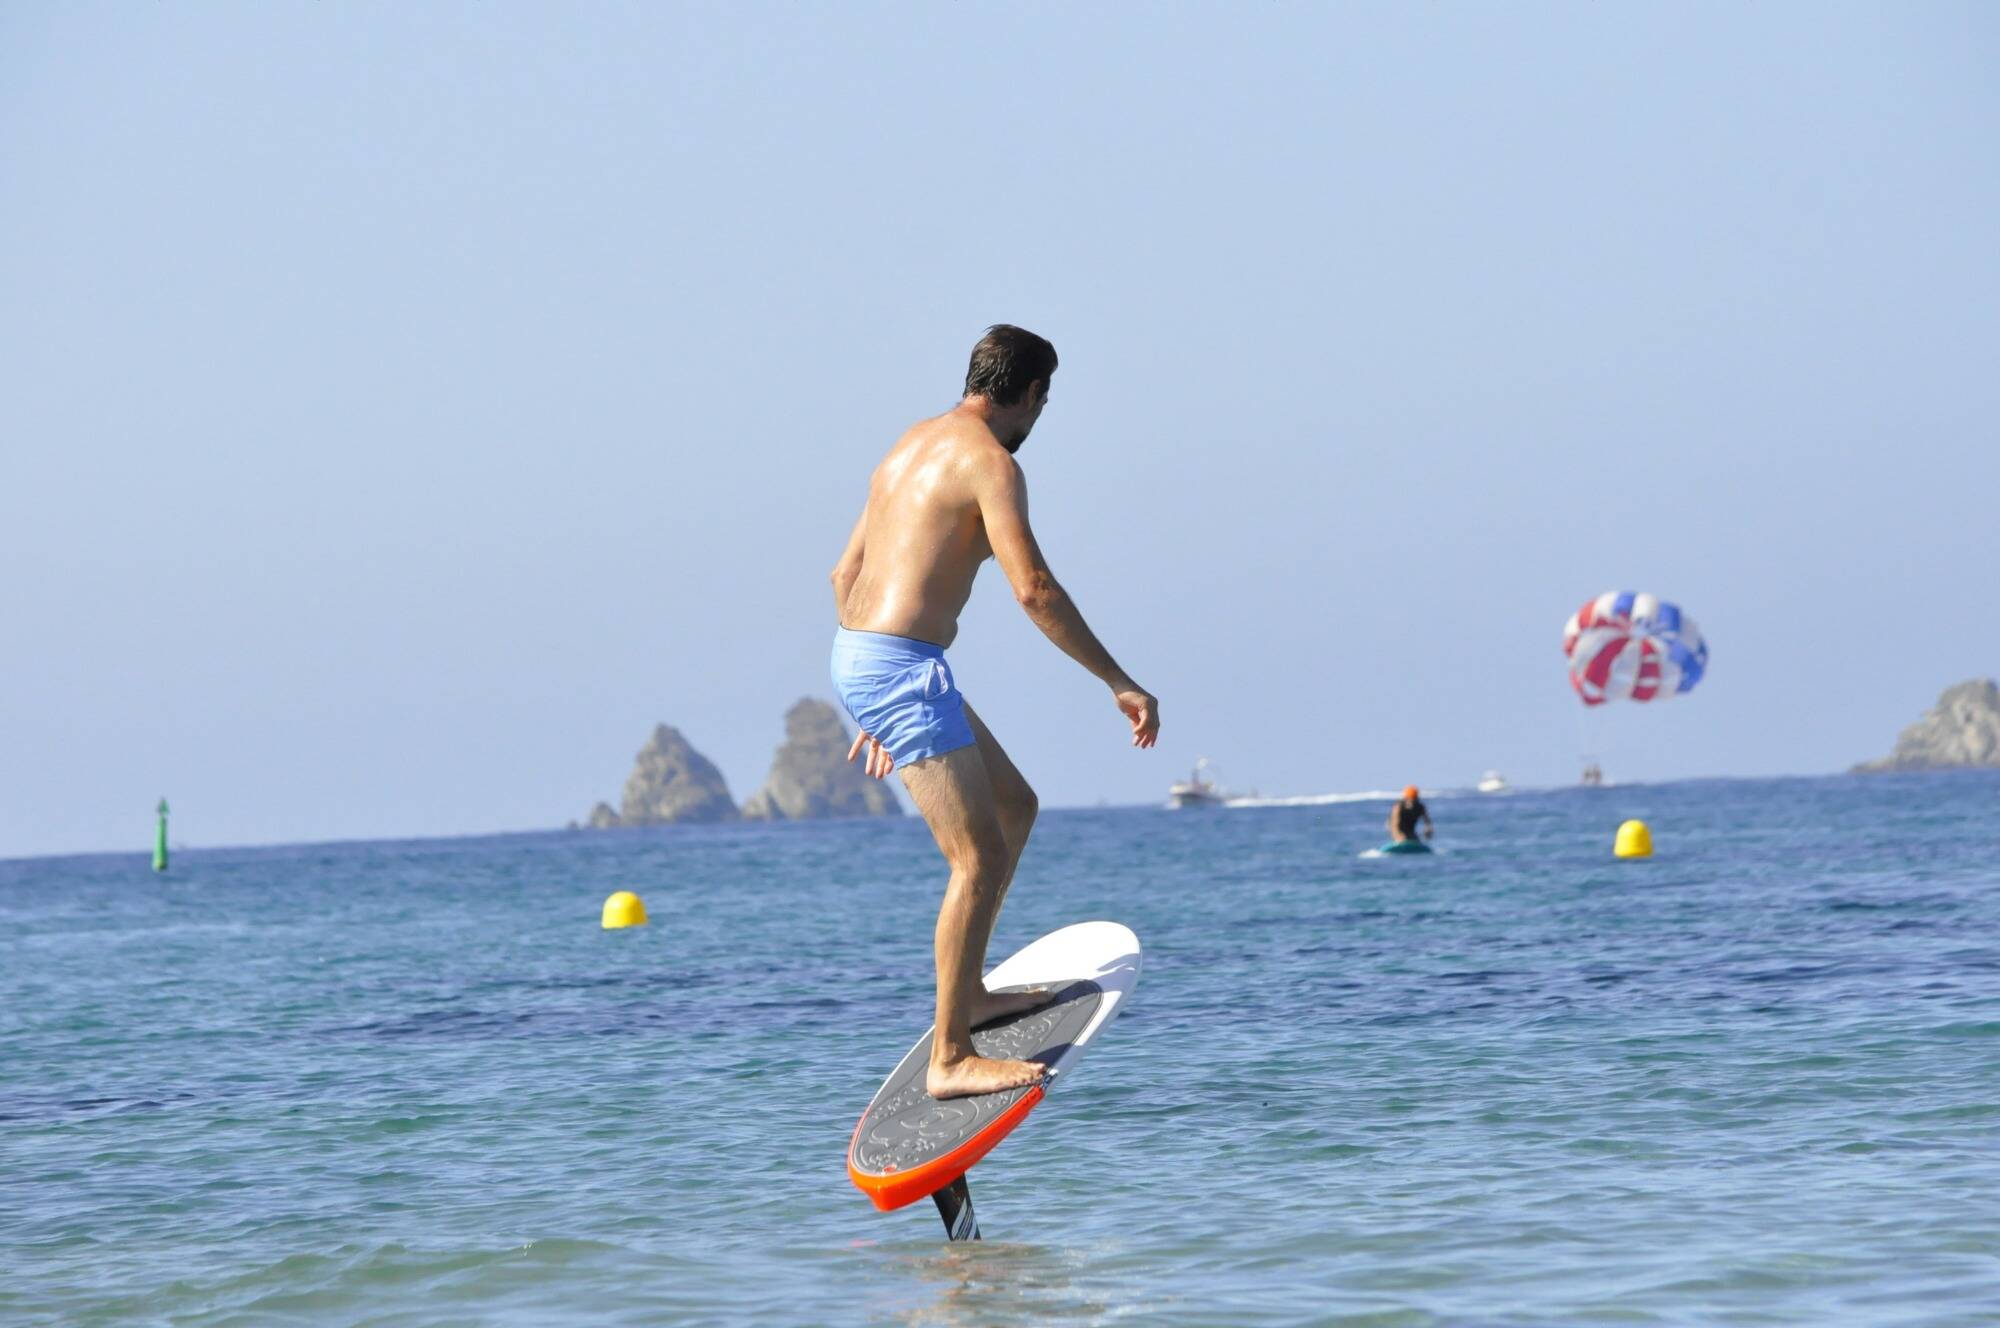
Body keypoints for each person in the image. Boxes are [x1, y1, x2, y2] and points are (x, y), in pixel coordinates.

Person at [828, 325, 1160, 1101]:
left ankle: (970, 995)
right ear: (1033, 395)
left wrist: (867, 700)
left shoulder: (909, 444)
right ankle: (950, 1057)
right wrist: (1118, 680)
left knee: (1014, 807)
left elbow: (844, 570)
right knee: (973, 859)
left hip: (870, 655)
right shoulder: (991, 464)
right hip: (900, 668)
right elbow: (1033, 589)